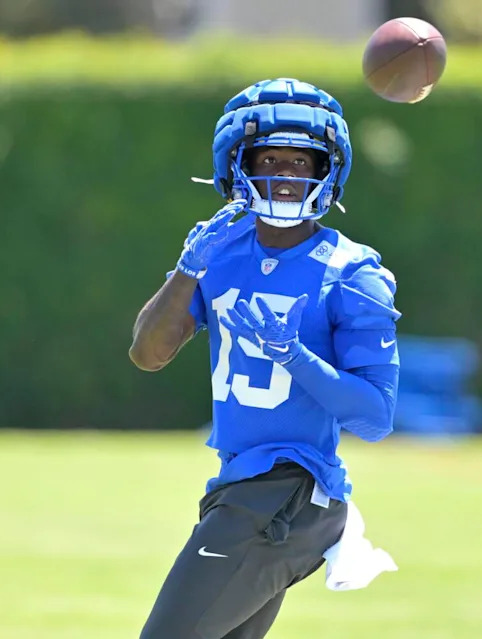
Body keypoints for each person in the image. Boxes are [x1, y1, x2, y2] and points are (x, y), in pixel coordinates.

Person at [129, 78, 401, 639]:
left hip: (288, 491)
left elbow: (375, 418)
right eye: (268, 158)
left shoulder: (353, 271)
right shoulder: (218, 251)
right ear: (238, 166)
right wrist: (187, 269)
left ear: (326, 171)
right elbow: (147, 354)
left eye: (300, 161)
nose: (283, 174)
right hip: (239, 486)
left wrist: (294, 356)